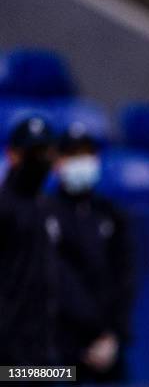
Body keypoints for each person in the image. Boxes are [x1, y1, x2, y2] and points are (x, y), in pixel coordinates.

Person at [51, 123, 134, 383]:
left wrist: (113, 335)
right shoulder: (44, 212)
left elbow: (125, 277)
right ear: (58, 162)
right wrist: (91, 331)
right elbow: (56, 280)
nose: (81, 162)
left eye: (86, 154)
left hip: (107, 350)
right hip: (57, 348)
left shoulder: (111, 214)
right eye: (73, 155)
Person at [0, 114, 61, 366]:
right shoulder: (4, 208)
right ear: (13, 155)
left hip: (44, 350)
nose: (41, 161)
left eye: (46, 153)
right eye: (34, 152)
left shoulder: (48, 208)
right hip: (7, 353)